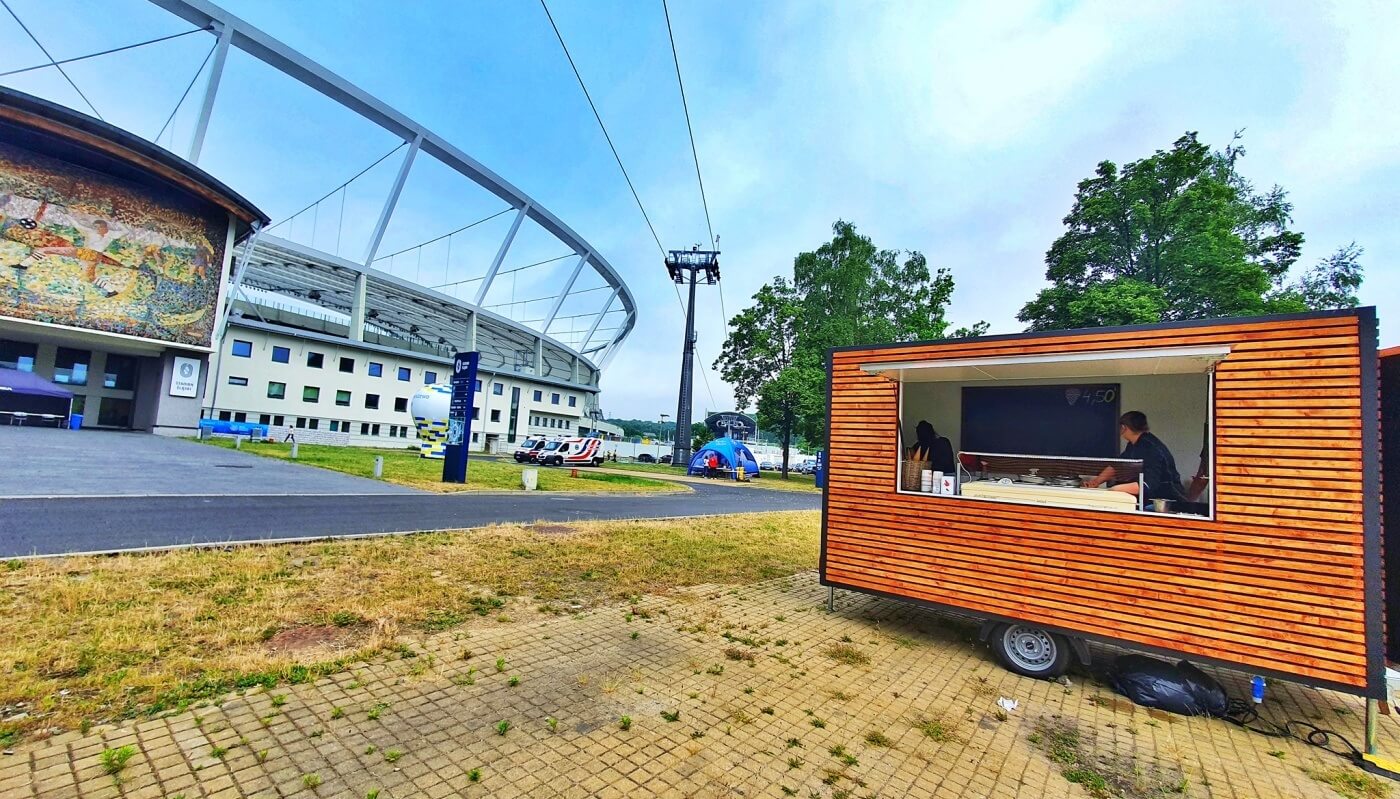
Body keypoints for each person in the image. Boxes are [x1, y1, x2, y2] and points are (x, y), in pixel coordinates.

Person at [1085, 411, 1186, 505]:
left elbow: (1147, 485)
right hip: (1153, 498)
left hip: (1168, 500)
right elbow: (1117, 465)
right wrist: (1096, 482)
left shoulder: (1149, 447)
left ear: (1123, 428)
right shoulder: (1134, 444)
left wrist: (1114, 490)